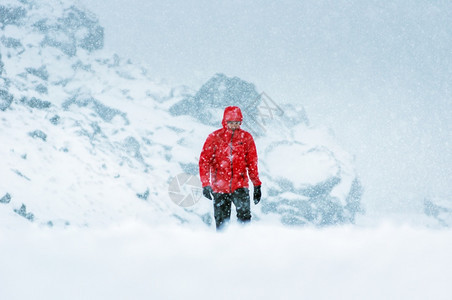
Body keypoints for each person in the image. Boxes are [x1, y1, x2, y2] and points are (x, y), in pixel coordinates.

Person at [199, 106, 262, 230]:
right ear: (225, 122)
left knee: (245, 220)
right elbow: (204, 161)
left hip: (240, 187)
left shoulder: (246, 138)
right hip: (219, 188)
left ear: (240, 122)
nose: (234, 125)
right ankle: (223, 247)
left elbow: (252, 163)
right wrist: (205, 184)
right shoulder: (214, 137)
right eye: (231, 122)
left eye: (237, 123)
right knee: (222, 223)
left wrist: (257, 185)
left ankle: (244, 246)